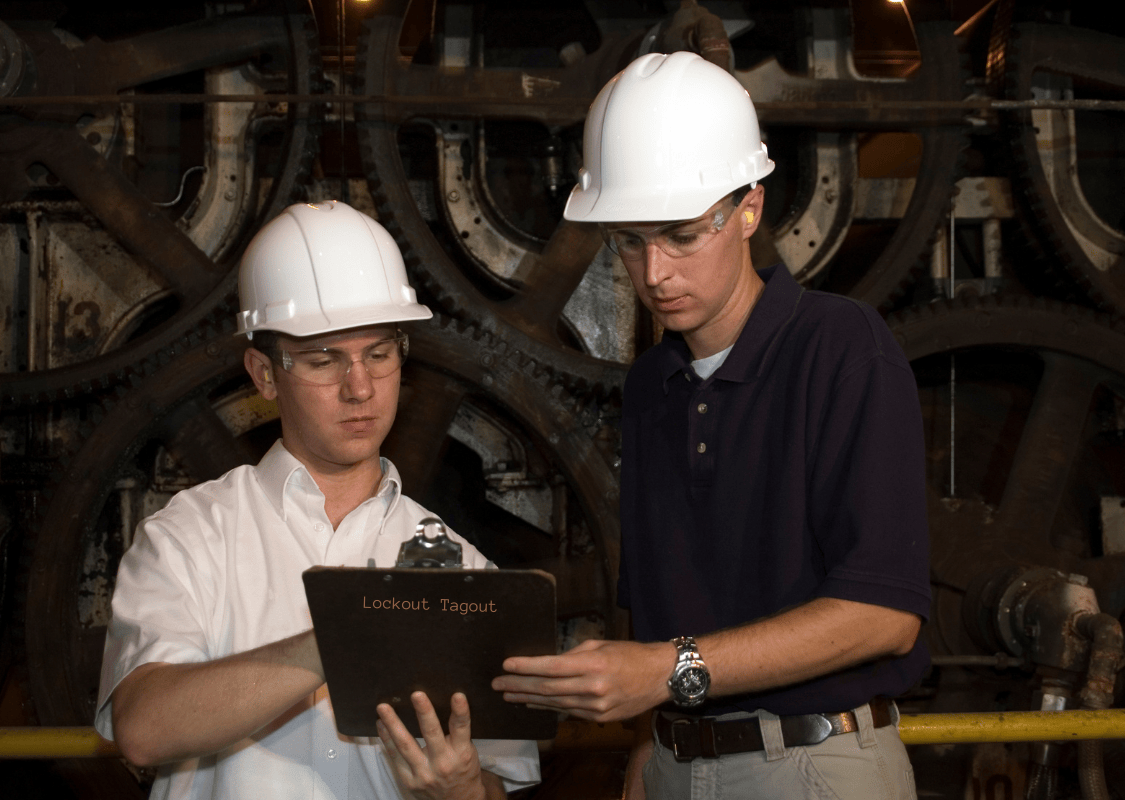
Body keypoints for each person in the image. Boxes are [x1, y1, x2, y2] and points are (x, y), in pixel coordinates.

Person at [493, 51, 931, 799]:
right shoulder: (652, 386)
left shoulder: (840, 345)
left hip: (817, 764)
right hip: (677, 760)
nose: (654, 272)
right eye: (629, 241)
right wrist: (649, 745)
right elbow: (665, 611)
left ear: (750, 208)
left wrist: (667, 672)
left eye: (682, 236)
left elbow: (884, 614)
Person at [94, 201, 540, 799]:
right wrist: (340, 637)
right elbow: (143, 729)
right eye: (324, 359)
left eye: (378, 355)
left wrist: (462, 790)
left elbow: (496, 784)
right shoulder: (191, 537)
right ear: (264, 374)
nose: (359, 387)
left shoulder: (462, 570)